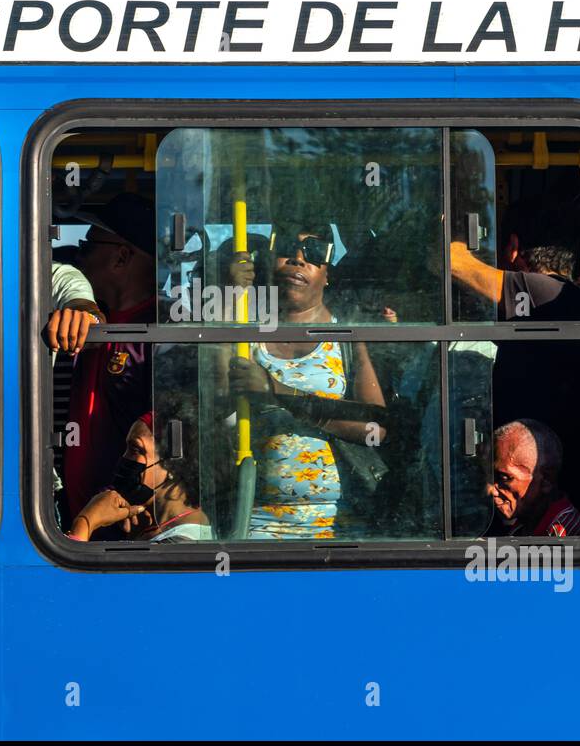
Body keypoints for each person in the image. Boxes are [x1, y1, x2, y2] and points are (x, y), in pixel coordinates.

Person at [226, 222, 387, 539]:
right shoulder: (246, 333)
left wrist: (279, 392)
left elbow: (375, 429)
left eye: (314, 253)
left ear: (327, 274)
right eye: (287, 249)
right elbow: (213, 395)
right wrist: (233, 296)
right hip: (254, 522)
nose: (298, 259)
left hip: (339, 527)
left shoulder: (347, 339)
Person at [448, 204, 580, 516]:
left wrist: (454, 222)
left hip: (542, 489)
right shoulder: (559, 305)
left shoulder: (548, 292)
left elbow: (452, 261)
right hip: (533, 482)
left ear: (513, 247)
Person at [60, 192, 157, 531]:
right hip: (70, 516)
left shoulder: (166, 330)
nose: (77, 258)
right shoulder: (73, 317)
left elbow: (179, 416)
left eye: (87, 247)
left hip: (128, 517)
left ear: (121, 258)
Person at [66, 403, 211, 543]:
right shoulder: (161, 528)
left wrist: (85, 522)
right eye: (126, 449)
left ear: (173, 465)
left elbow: (60, 568)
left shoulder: (180, 542)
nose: (124, 458)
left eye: (135, 450)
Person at [485, 419, 580, 538]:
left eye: (505, 478)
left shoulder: (570, 535)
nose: (490, 490)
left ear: (546, 480)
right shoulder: (525, 523)